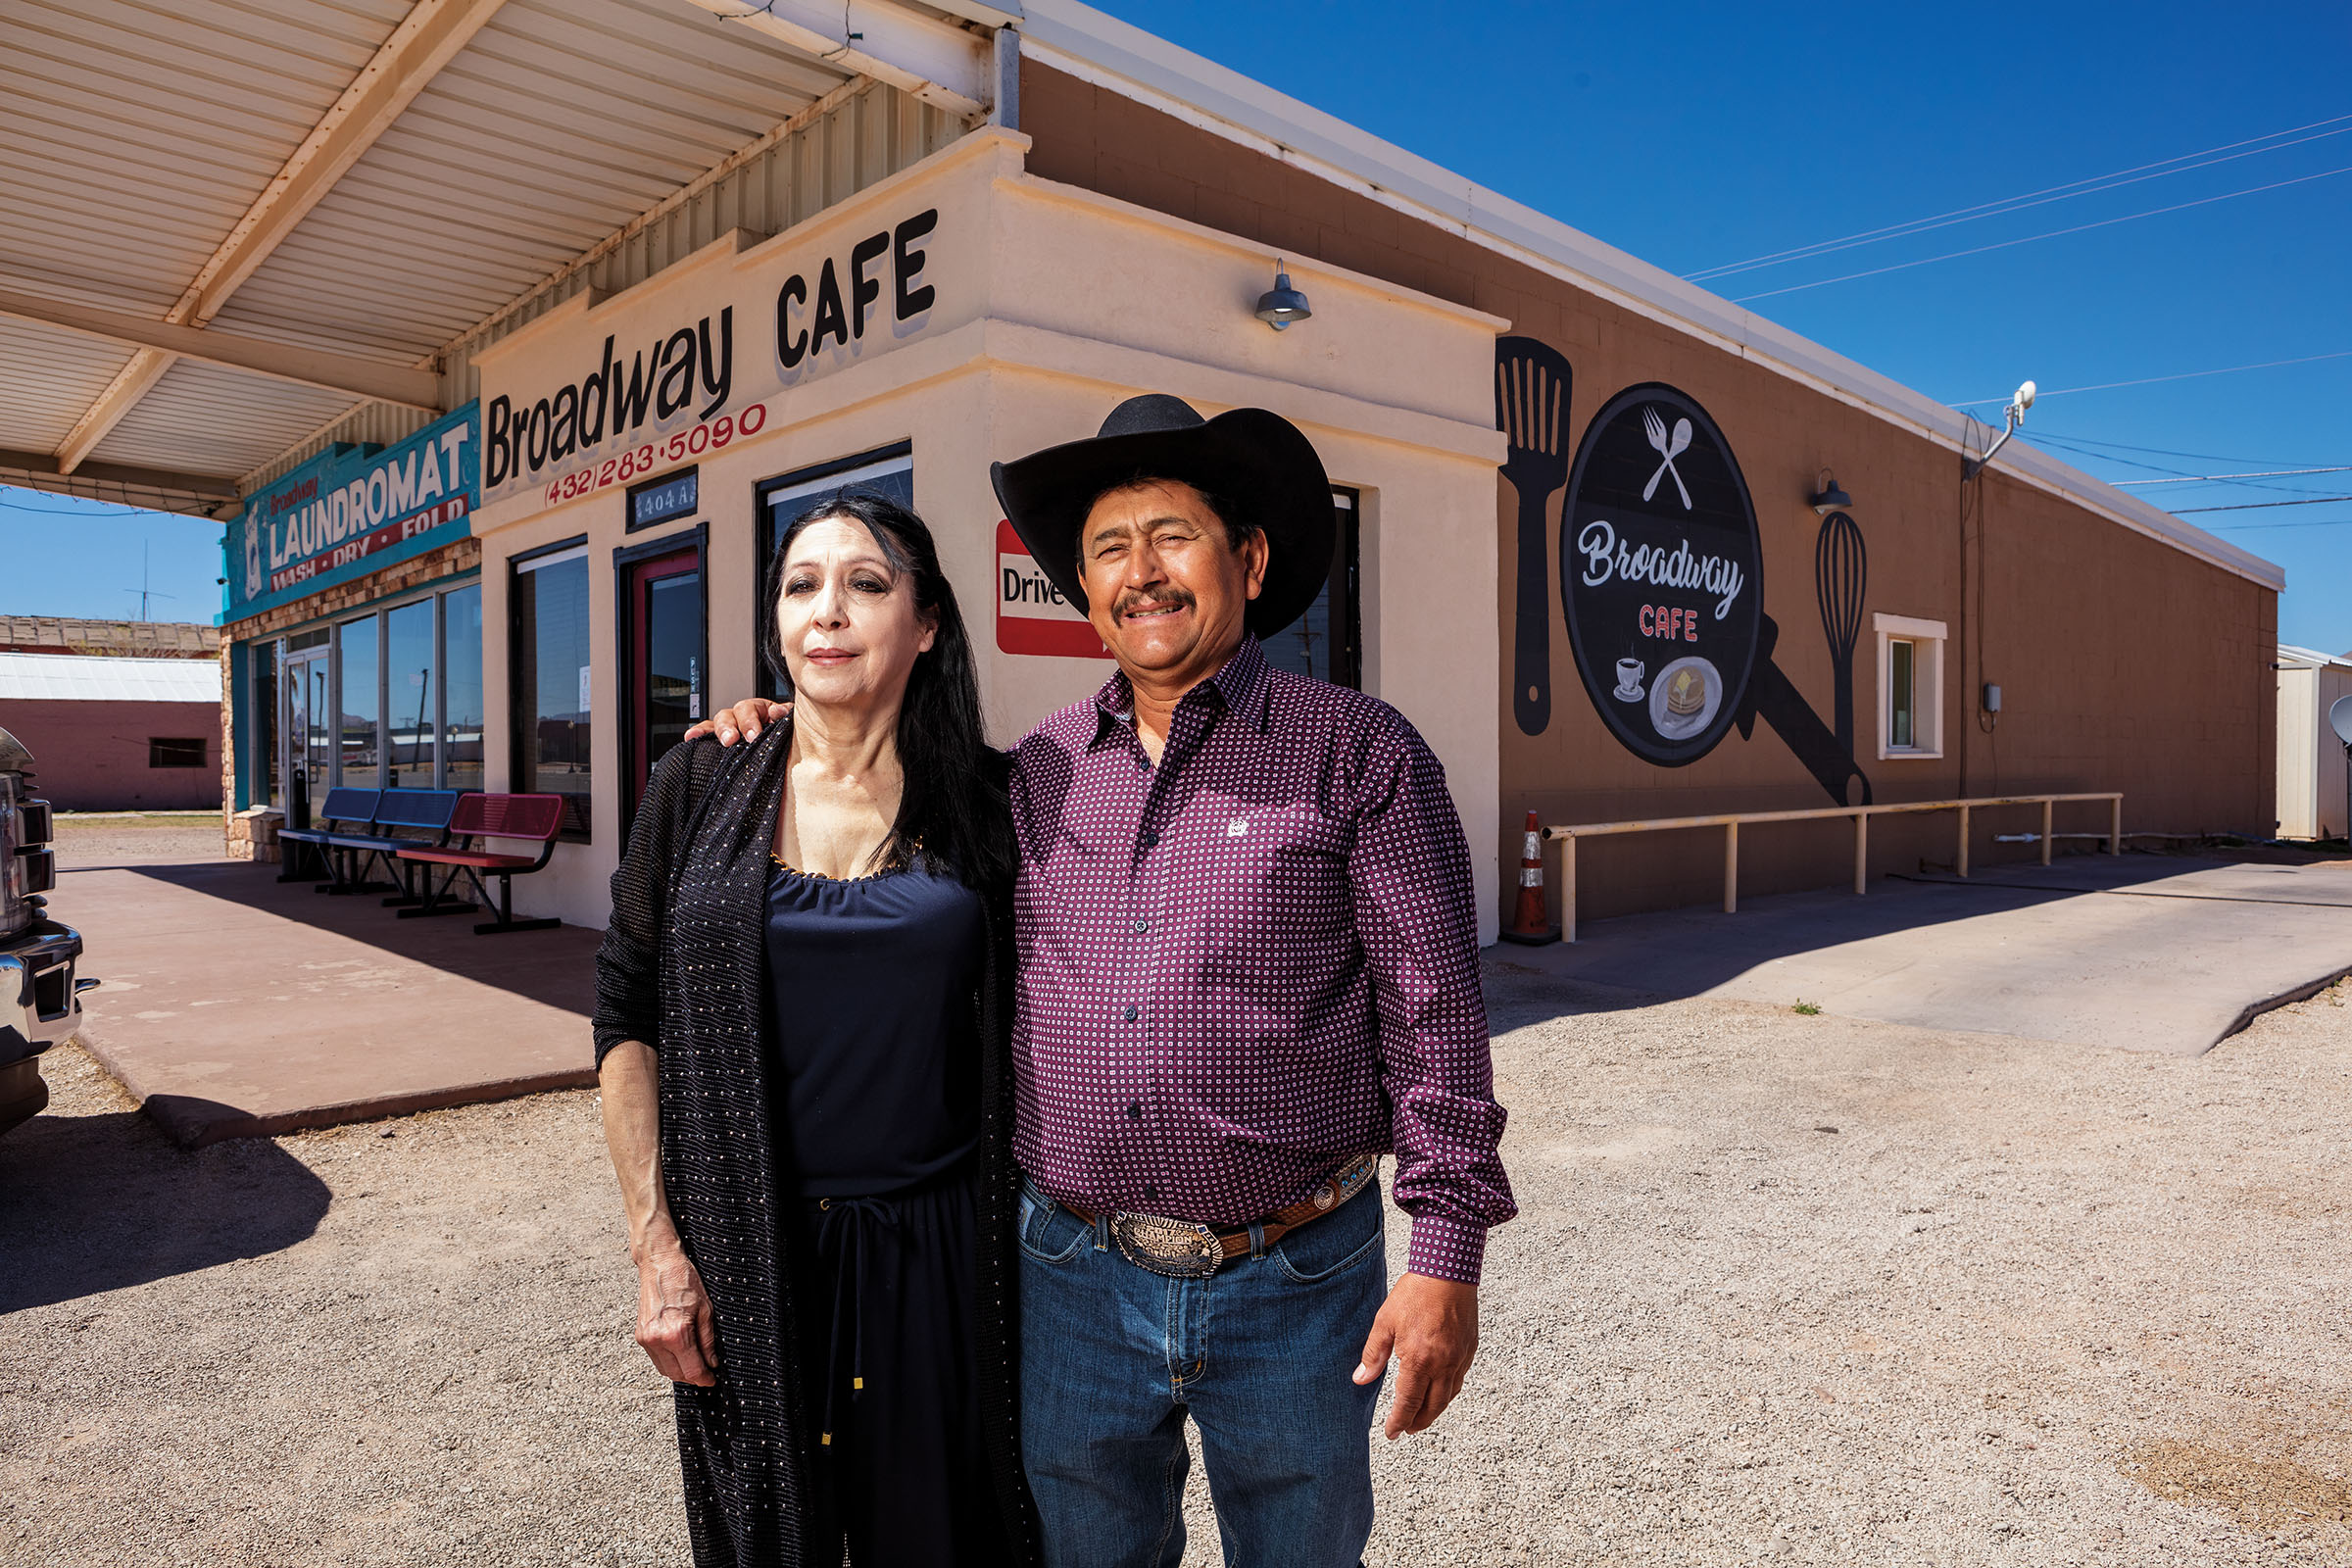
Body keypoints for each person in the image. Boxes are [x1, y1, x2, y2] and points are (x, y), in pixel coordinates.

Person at [704, 394, 1514, 1568]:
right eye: (1109, 551)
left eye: (1173, 536)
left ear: (1248, 559)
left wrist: (1446, 1256)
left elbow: (1437, 1022)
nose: (1144, 573)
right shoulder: (1026, 779)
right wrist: (780, 720)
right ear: (1084, 593)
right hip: (1071, 1281)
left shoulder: (1359, 754)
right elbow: (867, 776)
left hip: (1292, 1279)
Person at [593, 492, 1037, 1567]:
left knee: (943, 1540)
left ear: (927, 623)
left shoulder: (995, 801)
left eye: (866, 583)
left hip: (937, 1257)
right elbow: (626, 1011)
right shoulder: (701, 779)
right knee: (766, 1540)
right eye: (802, 586)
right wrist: (658, 1249)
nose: (826, 612)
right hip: (749, 1251)